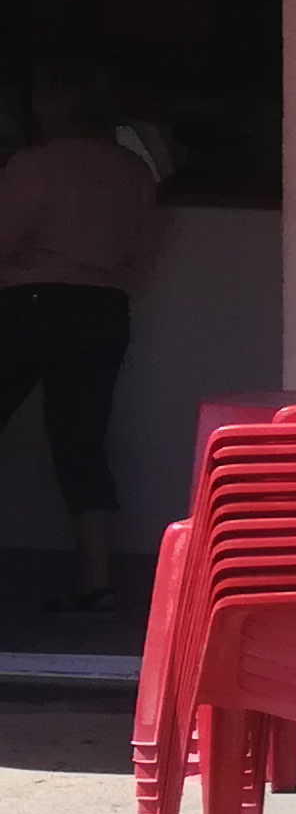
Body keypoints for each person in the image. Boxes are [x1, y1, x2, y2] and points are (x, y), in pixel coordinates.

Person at [0, 59, 161, 609]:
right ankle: (98, 581)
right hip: (102, 310)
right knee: (82, 442)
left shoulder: (33, 165)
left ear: (49, 105)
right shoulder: (133, 171)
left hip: (28, 305)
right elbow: (141, 251)